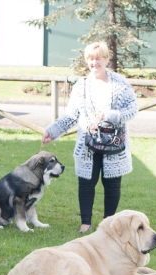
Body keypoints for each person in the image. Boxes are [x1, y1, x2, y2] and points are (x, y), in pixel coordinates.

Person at [42, 41, 138, 234]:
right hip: (88, 144)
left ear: (106, 59)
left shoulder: (120, 84)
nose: (95, 62)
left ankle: (108, 224)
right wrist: (52, 131)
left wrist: (111, 115)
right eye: (91, 59)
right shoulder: (81, 86)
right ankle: (85, 223)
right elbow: (71, 115)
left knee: (112, 184)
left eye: (99, 58)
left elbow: (132, 110)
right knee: (86, 182)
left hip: (114, 145)